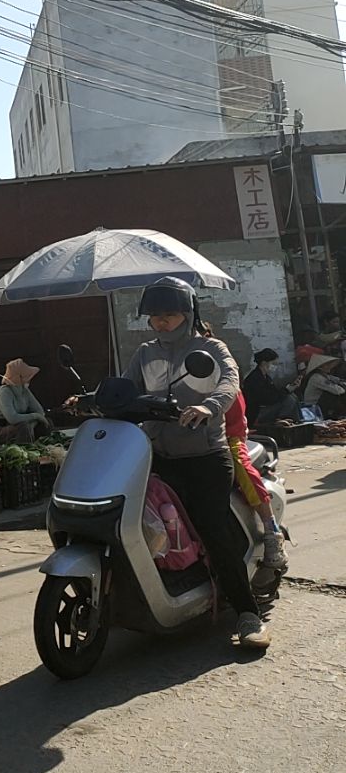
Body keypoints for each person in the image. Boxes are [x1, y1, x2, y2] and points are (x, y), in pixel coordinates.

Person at [123, 277, 270, 650]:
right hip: (158, 455)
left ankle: (247, 614)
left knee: (211, 526)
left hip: (206, 457)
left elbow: (230, 382)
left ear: (187, 314)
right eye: (155, 317)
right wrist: (94, 397)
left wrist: (208, 406)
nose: (161, 323)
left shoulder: (210, 348)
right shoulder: (145, 353)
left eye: (169, 315)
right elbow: (124, 388)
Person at [224, 390, 288, 572]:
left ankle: (271, 529)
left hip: (226, 434)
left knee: (239, 464)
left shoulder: (221, 366)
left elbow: (227, 392)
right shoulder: (154, 366)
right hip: (179, 438)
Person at [0, 359, 50, 443]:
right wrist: (35, 416)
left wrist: (33, 423)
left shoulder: (24, 390)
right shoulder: (4, 393)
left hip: (18, 426)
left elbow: (40, 411)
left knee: (46, 423)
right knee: (24, 427)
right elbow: (12, 418)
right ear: (19, 377)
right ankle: (24, 452)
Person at [242, 349, 303, 428]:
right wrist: (286, 390)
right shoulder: (254, 378)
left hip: (265, 408)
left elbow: (274, 393)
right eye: (273, 363)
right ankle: (281, 420)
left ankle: (297, 421)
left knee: (292, 396)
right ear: (264, 363)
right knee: (289, 399)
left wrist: (290, 388)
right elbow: (268, 398)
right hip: (256, 413)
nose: (275, 366)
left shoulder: (266, 377)